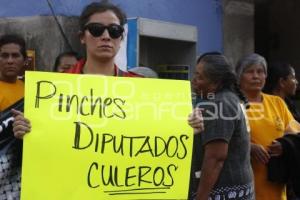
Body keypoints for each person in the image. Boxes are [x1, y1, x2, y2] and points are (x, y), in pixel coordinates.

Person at [12, 0, 203, 142]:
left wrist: (185, 127)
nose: (105, 36)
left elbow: (157, 136)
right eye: (96, 29)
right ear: (82, 37)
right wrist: (24, 131)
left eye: (114, 30)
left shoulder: (142, 88)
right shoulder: (53, 89)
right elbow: (44, 139)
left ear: (121, 37)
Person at [190, 53, 254, 200]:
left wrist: (201, 197)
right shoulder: (231, 99)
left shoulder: (219, 105)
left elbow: (216, 158)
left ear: (215, 82)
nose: (194, 81)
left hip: (222, 191)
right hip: (240, 188)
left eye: (200, 77)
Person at [236, 53, 300, 200]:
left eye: (260, 72)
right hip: (245, 186)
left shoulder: (277, 103)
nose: (256, 76)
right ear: (239, 77)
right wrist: (249, 147)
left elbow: (295, 135)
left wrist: (285, 145)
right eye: (249, 71)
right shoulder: (234, 104)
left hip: (276, 187)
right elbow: (221, 142)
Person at [0, 34, 27, 200]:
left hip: (23, 170)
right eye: (4, 55)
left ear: (24, 60)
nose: (10, 60)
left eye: (15, 55)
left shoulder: (32, 89)